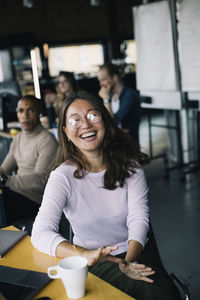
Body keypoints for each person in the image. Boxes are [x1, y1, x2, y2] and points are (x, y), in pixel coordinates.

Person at [31, 91, 181, 300]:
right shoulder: (62, 177)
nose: (85, 124)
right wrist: (84, 254)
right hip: (94, 261)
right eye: (75, 120)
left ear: (105, 120)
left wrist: (128, 262)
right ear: (65, 131)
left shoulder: (131, 166)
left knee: (157, 294)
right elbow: (40, 232)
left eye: (93, 116)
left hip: (134, 252)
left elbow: (139, 218)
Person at [0, 95, 58, 226]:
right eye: (21, 111)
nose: (25, 115)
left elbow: (41, 179)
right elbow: (4, 169)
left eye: (31, 110)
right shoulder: (18, 138)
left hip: (35, 200)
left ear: (39, 113)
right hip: (15, 193)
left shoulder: (47, 140)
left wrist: (6, 180)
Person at [97, 62, 141, 144]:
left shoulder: (130, 95)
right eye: (100, 81)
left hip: (128, 143)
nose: (101, 84)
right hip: (115, 139)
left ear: (114, 78)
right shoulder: (110, 93)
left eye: (103, 80)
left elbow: (113, 122)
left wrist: (106, 100)